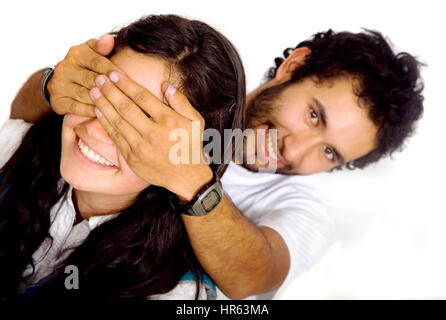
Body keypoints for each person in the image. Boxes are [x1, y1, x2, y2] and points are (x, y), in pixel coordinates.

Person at [9, 28, 424, 300]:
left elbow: (252, 278)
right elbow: (28, 118)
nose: (296, 151)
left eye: (330, 153)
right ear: (293, 67)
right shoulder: (196, 81)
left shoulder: (304, 214)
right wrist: (54, 84)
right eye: (315, 116)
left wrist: (192, 181)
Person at [0, 14, 245, 300]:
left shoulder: (177, 293)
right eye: (100, 94)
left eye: (137, 125)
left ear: (188, 157)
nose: (95, 129)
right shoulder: (15, 148)